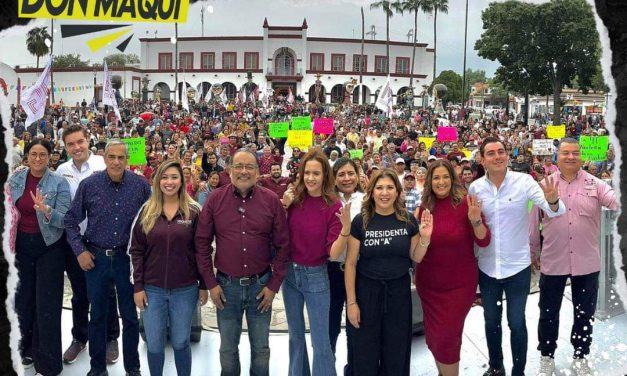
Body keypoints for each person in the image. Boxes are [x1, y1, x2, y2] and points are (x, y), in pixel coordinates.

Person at [468, 136, 565, 376]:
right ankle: (496, 366)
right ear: (482, 159)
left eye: (501, 151)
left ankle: (518, 371)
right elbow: (474, 228)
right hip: (488, 268)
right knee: (491, 322)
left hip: (517, 268)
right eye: (491, 153)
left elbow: (554, 211)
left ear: (507, 155)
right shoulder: (475, 188)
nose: (497, 156)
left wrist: (553, 201)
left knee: (516, 322)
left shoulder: (524, 182)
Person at [195, 149, 291, 376]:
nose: (244, 171)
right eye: (239, 166)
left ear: (258, 172)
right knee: (227, 350)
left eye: (249, 167)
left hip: (261, 287)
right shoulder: (215, 200)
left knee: (261, 349)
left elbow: (283, 246)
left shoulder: (271, 201)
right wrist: (210, 282)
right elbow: (201, 243)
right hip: (226, 287)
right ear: (229, 170)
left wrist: (273, 285)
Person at [529, 138, 618, 376]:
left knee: (584, 313)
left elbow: (615, 201)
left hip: (587, 262)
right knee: (548, 312)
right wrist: (532, 251)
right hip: (553, 260)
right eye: (565, 153)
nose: (570, 157)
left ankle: (581, 355)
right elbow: (533, 222)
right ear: (557, 157)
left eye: (575, 153)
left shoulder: (595, 183)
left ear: (581, 156)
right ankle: (547, 356)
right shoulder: (543, 185)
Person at [65, 140, 152, 376]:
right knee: (98, 317)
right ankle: (97, 369)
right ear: (104, 159)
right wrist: (80, 251)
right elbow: (71, 221)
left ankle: (132, 369)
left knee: (131, 318)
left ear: (127, 160)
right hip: (97, 259)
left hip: (127, 260)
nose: (116, 162)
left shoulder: (140, 185)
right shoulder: (89, 185)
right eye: (111, 157)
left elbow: (152, 220)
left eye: (121, 158)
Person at [345, 168, 432, 376]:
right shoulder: (361, 221)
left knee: (397, 350)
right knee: (365, 351)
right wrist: (352, 303)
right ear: (372, 191)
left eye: (390, 188)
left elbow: (416, 256)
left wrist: (425, 238)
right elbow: (350, 264)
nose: (385, 193)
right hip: (367, 293)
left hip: (399, 293)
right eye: (380, 187)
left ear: (397, 191)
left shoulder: (408, 220)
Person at [129, 159, 207, 376]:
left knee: (182, 342)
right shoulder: (146, 211)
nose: (169, 182)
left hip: (186, 290)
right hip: (152, 291)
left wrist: (203, 285)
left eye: (174, 177)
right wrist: (138, 286)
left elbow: (202, 251)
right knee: (154, 344)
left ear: (182, 180)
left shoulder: (194, 212)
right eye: (164, 177)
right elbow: (136, 251)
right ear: (156, 181)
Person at [416, 160, 490, 376]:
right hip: (429, 287)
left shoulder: (467, 204)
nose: (441, 182)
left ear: (453, 178)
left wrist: (476, 221)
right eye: (436, 177)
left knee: (447, 337)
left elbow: (484, 241)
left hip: (460, 287)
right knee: (434, 338)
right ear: (430, 181)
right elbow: (417, 250)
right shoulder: (423, 209)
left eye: (445, 177)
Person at [282, 149, 352, 376]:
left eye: (316, 173)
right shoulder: (293, 200)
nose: (311, 178)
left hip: (316, 276)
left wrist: (345, 231)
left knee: (320, 340)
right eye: (307, 173)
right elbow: (278, 235)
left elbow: (332, 254)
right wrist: (283, 206)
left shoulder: (333, 206)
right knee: (295, 336)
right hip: (290, 275)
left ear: (325, 176)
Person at [56, 124, 121, 365]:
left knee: (106, 291)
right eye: (70, 144)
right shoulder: (61, 171)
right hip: (73, 242)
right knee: (79, 294)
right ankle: (79, 337)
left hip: (101, 241)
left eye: (79, 142)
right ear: (65, 147)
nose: (76, 147)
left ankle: (110, 337)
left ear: (89, 141)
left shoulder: (104, 165)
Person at [9, 139, 71, 376]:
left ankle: (48, 363)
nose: (37, 159)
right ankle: (26, 350)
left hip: (49, 248)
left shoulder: (59, 182)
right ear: (26, 156)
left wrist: (46, 211)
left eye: (42, 155)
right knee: (23, 301)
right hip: (21, 247)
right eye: (33, 154)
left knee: (47, 304)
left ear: (50, 157)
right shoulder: (16, 179)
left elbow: (66, 219)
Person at [329, 157, 365, 373]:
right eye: (341, 174)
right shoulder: (328, 200)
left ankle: (353, 368)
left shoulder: (368, 199)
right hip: (332, 271)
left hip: (360, 270)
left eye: (350, 173)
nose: (347, 178)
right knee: (330, 325)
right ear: (334, 177)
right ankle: (327, 366)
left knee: (357, 323)